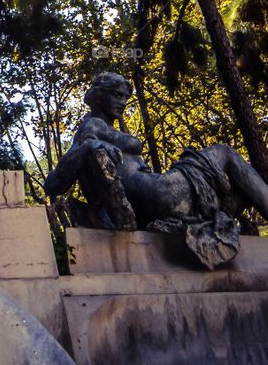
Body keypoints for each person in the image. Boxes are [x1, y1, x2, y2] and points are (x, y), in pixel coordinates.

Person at [45, 71, 268, 268]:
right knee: (225, 152)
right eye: (117, 94)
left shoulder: (94, 131)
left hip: (156, 201)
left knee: (240, 193)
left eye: (125, 97)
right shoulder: (93, 126)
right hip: (161, 192)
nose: (123, 102)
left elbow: (55, 183)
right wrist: (88, 147)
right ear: (100, 95)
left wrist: (89, 146)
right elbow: (52, 185)